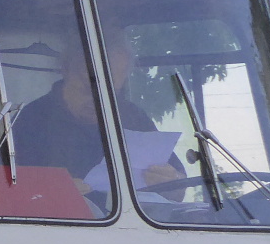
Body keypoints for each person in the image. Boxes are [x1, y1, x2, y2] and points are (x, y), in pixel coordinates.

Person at [10, 35, 180, 200]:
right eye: (87, 89)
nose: (98, 101)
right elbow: (7, 193)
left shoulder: (133, 117)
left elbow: (178, 192)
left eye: (109, 92)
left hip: (130, 218)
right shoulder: (30, 121)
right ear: (66, 69)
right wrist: (50, 191)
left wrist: (170, 183)